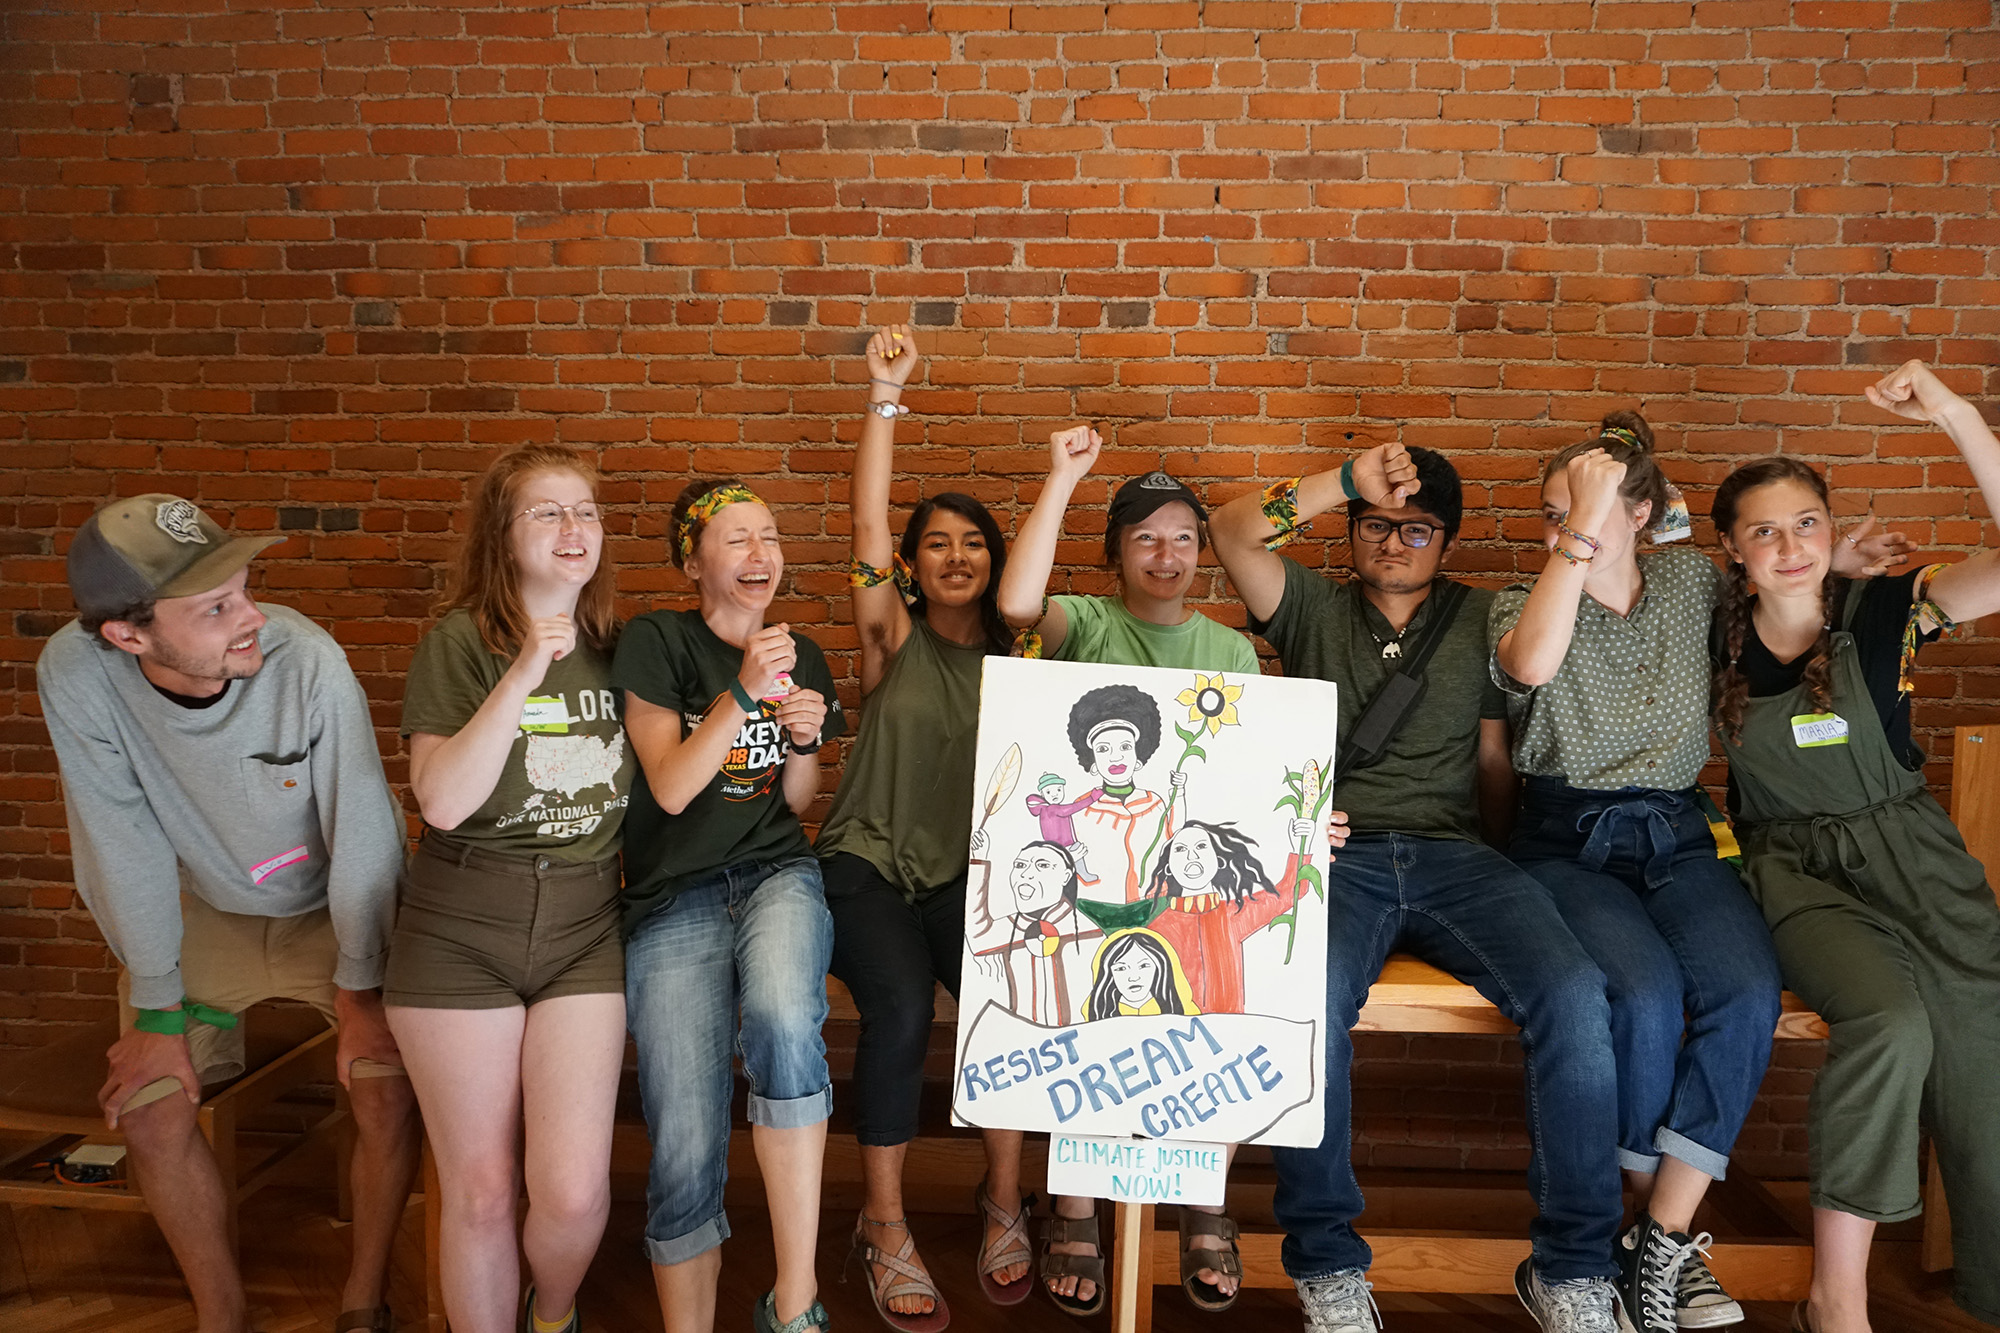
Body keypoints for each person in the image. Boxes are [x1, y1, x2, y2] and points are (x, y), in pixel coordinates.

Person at [1491, 412, 1911, 1333]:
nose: (1568, 529)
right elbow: (1532, 663)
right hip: (1565, 837)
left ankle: (1658, 1240)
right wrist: (1581, 531)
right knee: (1639, 997)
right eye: (1555, 513)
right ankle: (1647, 1245)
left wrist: (1834, 562)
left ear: (1644, 514)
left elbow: (1767, 582)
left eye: (1596, 507)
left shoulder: (1687, 581)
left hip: (1680, 831)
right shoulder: (1525, 600)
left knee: (1745, 990)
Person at [1209, 445, 1632, 1333]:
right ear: (1355, 529)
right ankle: (1325, 1260)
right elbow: (1232, 530)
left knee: (1575, 992)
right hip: (1336, 855)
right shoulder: (1313, 605)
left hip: (1455, 854)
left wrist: (1504, 860)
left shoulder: (1484, 616)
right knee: (1306, 1004)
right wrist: (1345, 482)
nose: (1394, 541)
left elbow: (1491, 755)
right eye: (1377, 524)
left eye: (1417, 528)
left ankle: (1575, 1268)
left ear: (1446, 540)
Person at [35, 495, 421, 1333]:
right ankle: (222, 1313)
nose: (252, 618)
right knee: (149, 1104)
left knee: (385, 1088)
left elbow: (363, 830)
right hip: (207, 908)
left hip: (337, 907)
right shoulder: (75, 675)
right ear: (127, 635)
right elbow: (118, 837)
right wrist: (157, 1004)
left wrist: (361, 994)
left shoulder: (306, 661)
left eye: (245, 589)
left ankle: (364, 1300)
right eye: (215, 608)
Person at [1709, 360, 2000, 1333]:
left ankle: (1991, 1283)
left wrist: (1953, 413)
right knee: (1889, 1022)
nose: (1787, 545)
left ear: (1829, 530)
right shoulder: (1707, 640)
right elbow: (1642, 524)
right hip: (1797, 874)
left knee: (1977, 1045)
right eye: (1762, 529)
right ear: (1729, 547)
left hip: (1918, 859)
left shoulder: (1889, 613)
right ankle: (1834, 1302)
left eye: (1805, 524)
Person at [996, 427, 1267, 1316]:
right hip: (1096, 895)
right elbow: (1018, 602)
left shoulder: (1229, 651)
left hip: (1182, 894)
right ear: (1115, 552)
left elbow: (1252, 783)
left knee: (1212, 1026)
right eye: (1147, 537)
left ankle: (1202, 1203)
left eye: (1184, 537)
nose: (1169, 554)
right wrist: (1063, 477)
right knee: (1090, 1027)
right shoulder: (1090, 621)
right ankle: (1074, 1205)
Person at [385, 445, 634, 1333]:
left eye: (586, 512)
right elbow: (443, 798)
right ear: (502, 533)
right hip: (459, 925)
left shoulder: (622, 649)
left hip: (582, 923)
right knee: (482, 1189)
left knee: (570, 1193)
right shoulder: (461, 641)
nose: (575, 530)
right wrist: (528, 667)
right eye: (547, 512)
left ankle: (553, 1312)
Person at [813, 325, 1031, 1329]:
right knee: (898, 1008)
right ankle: (884, 1221)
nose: (955, 554)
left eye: (972, 540)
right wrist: (883, 394)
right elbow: (862, 521)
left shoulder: (1028, 665)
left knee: (1009, 998)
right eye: (934, 541)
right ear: (907, 565)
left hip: (964, 878)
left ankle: (1002, 1198)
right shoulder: (886, 636)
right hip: (862, 866)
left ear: (995, 561)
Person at [613, 479, 847, 1333]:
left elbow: (794, 801)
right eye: (738, 539)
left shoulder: (802, 652)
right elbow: (671, 788)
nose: (762, 554)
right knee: (683, 1122)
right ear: (693, 560)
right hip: (674, 893)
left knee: (787, 1020)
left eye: (771, 537)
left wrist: (805, 740)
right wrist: (744, 693)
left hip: (776, 874)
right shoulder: (656, 640)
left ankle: (794, 1300)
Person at [1084, 929, 1199, 1019]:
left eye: (1143, 966)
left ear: (1160, 968)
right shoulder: (1097, 1017)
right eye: (1121, 968)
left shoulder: (1186, 1013)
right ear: (1108, 974)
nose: (1133, 977)